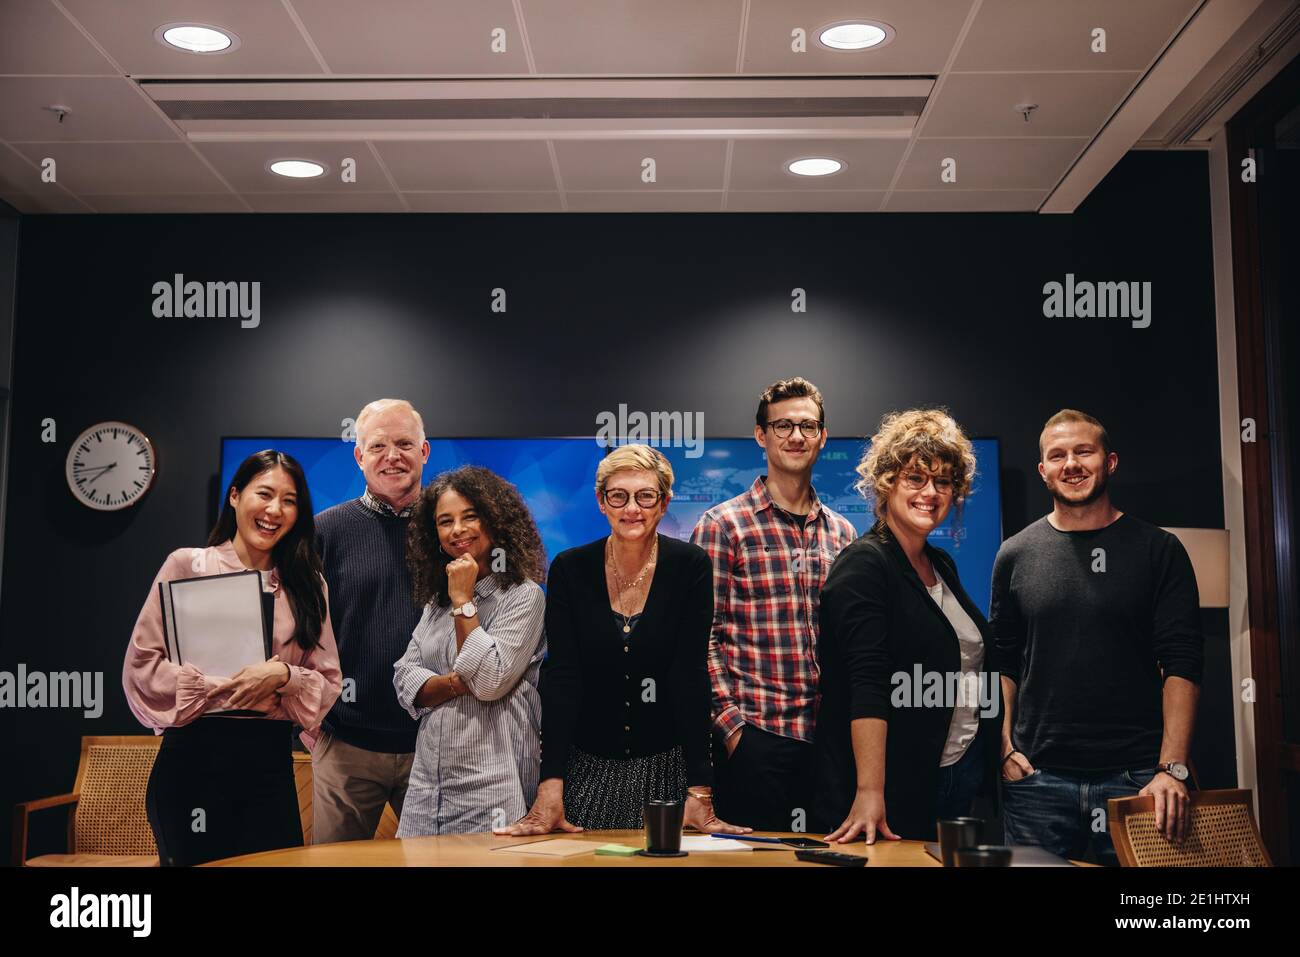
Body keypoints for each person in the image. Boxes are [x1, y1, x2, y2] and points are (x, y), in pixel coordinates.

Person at [499, 445, 748, 835]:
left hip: (666, 767)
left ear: (664, 503)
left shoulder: (690, 567)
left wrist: (700, 791)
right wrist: (551, 784)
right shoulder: (570, 569)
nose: (632, 508)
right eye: (619, 496)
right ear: (601, 502)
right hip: (587, 767)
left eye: (645, 496)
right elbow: (562, 678)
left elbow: (689, 677)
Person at [992, 409, 1203, 865]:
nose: (1071, 464)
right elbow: (1002, 662)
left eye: (1083, 451)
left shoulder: (1158, 550)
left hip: (1140, 781)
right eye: (1058, 455)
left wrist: (1172, 769)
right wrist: (1004, 746)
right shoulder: (1014, 555)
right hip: (1037, 781)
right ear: (1042, 470)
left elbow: (1182, 662)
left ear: (1110, 462)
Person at [123, 450, 342, 866]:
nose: (275, 510)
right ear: (236, 496)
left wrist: (282, 675)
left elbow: (328, 682)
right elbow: (141, 667)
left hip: (269, 768)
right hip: (192, 763)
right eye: (264, 493)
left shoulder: (308, 584)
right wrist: (214, 687)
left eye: (290, 500)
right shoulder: (186, 565)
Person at [813, 410, 1001, 843]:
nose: (930, 492)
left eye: (944, 481)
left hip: (957, 772)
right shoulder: (864, 565)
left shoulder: (940, 564)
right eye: (915, 478)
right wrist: (869, 791)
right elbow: (868, 685)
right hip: (895, 785)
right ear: (886, 484)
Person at [690, 377, 857, 831]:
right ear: (761, 435)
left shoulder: (843, 534)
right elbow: (701, 638)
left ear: (822, 436)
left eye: (807, 425)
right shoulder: (723, 525)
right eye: (783, 425)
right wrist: (733, 731)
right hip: (756, 738)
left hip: (828, 742)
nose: (796, 436)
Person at [392, 465, 547, 835]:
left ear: (495, 521)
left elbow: (490, 681)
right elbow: (404, 678)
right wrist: (456, 682)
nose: (457, 530)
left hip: (492, 788)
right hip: (427, 787)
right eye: (445, 521)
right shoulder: (435, 602)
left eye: (470, 517)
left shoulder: (523, 596)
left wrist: (463, 598)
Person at [311, 398, 429, 844]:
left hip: (436, 744)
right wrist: (312, 721)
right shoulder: (325, 531)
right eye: (377, 446)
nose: (392, 456)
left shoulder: (452, 529)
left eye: (404, 443)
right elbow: (297, 632)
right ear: (359, 456)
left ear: (425, 451)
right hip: (346, 744)